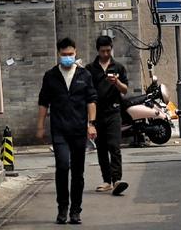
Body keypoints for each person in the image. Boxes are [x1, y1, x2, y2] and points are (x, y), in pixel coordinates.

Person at [36, 37, 98, 225]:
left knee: (78, 172)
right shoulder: (50, 76)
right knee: (63, 166)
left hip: (79, 130)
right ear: (58, 54)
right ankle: (62, 208)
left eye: (70, 54)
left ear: (76, 52)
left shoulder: (84, 75)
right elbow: (43, 103)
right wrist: (40, 126)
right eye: (64, 54)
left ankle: (75, 211)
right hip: (59, 130)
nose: (68, 57)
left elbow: (91, 100)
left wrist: (91, 123)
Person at [90, 34, 129, 196]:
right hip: (97, 113)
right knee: (101, 148)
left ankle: (117, 179)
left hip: (113, 111)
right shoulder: (90, 69)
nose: (106, 54)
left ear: (111, 49)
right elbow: (87, 92)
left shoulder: (118, 67)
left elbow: (125, 90)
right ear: (98, 51)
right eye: (103, 51)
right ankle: (106, 180)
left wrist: (116, 82)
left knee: (114, 146)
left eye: (108, 50)